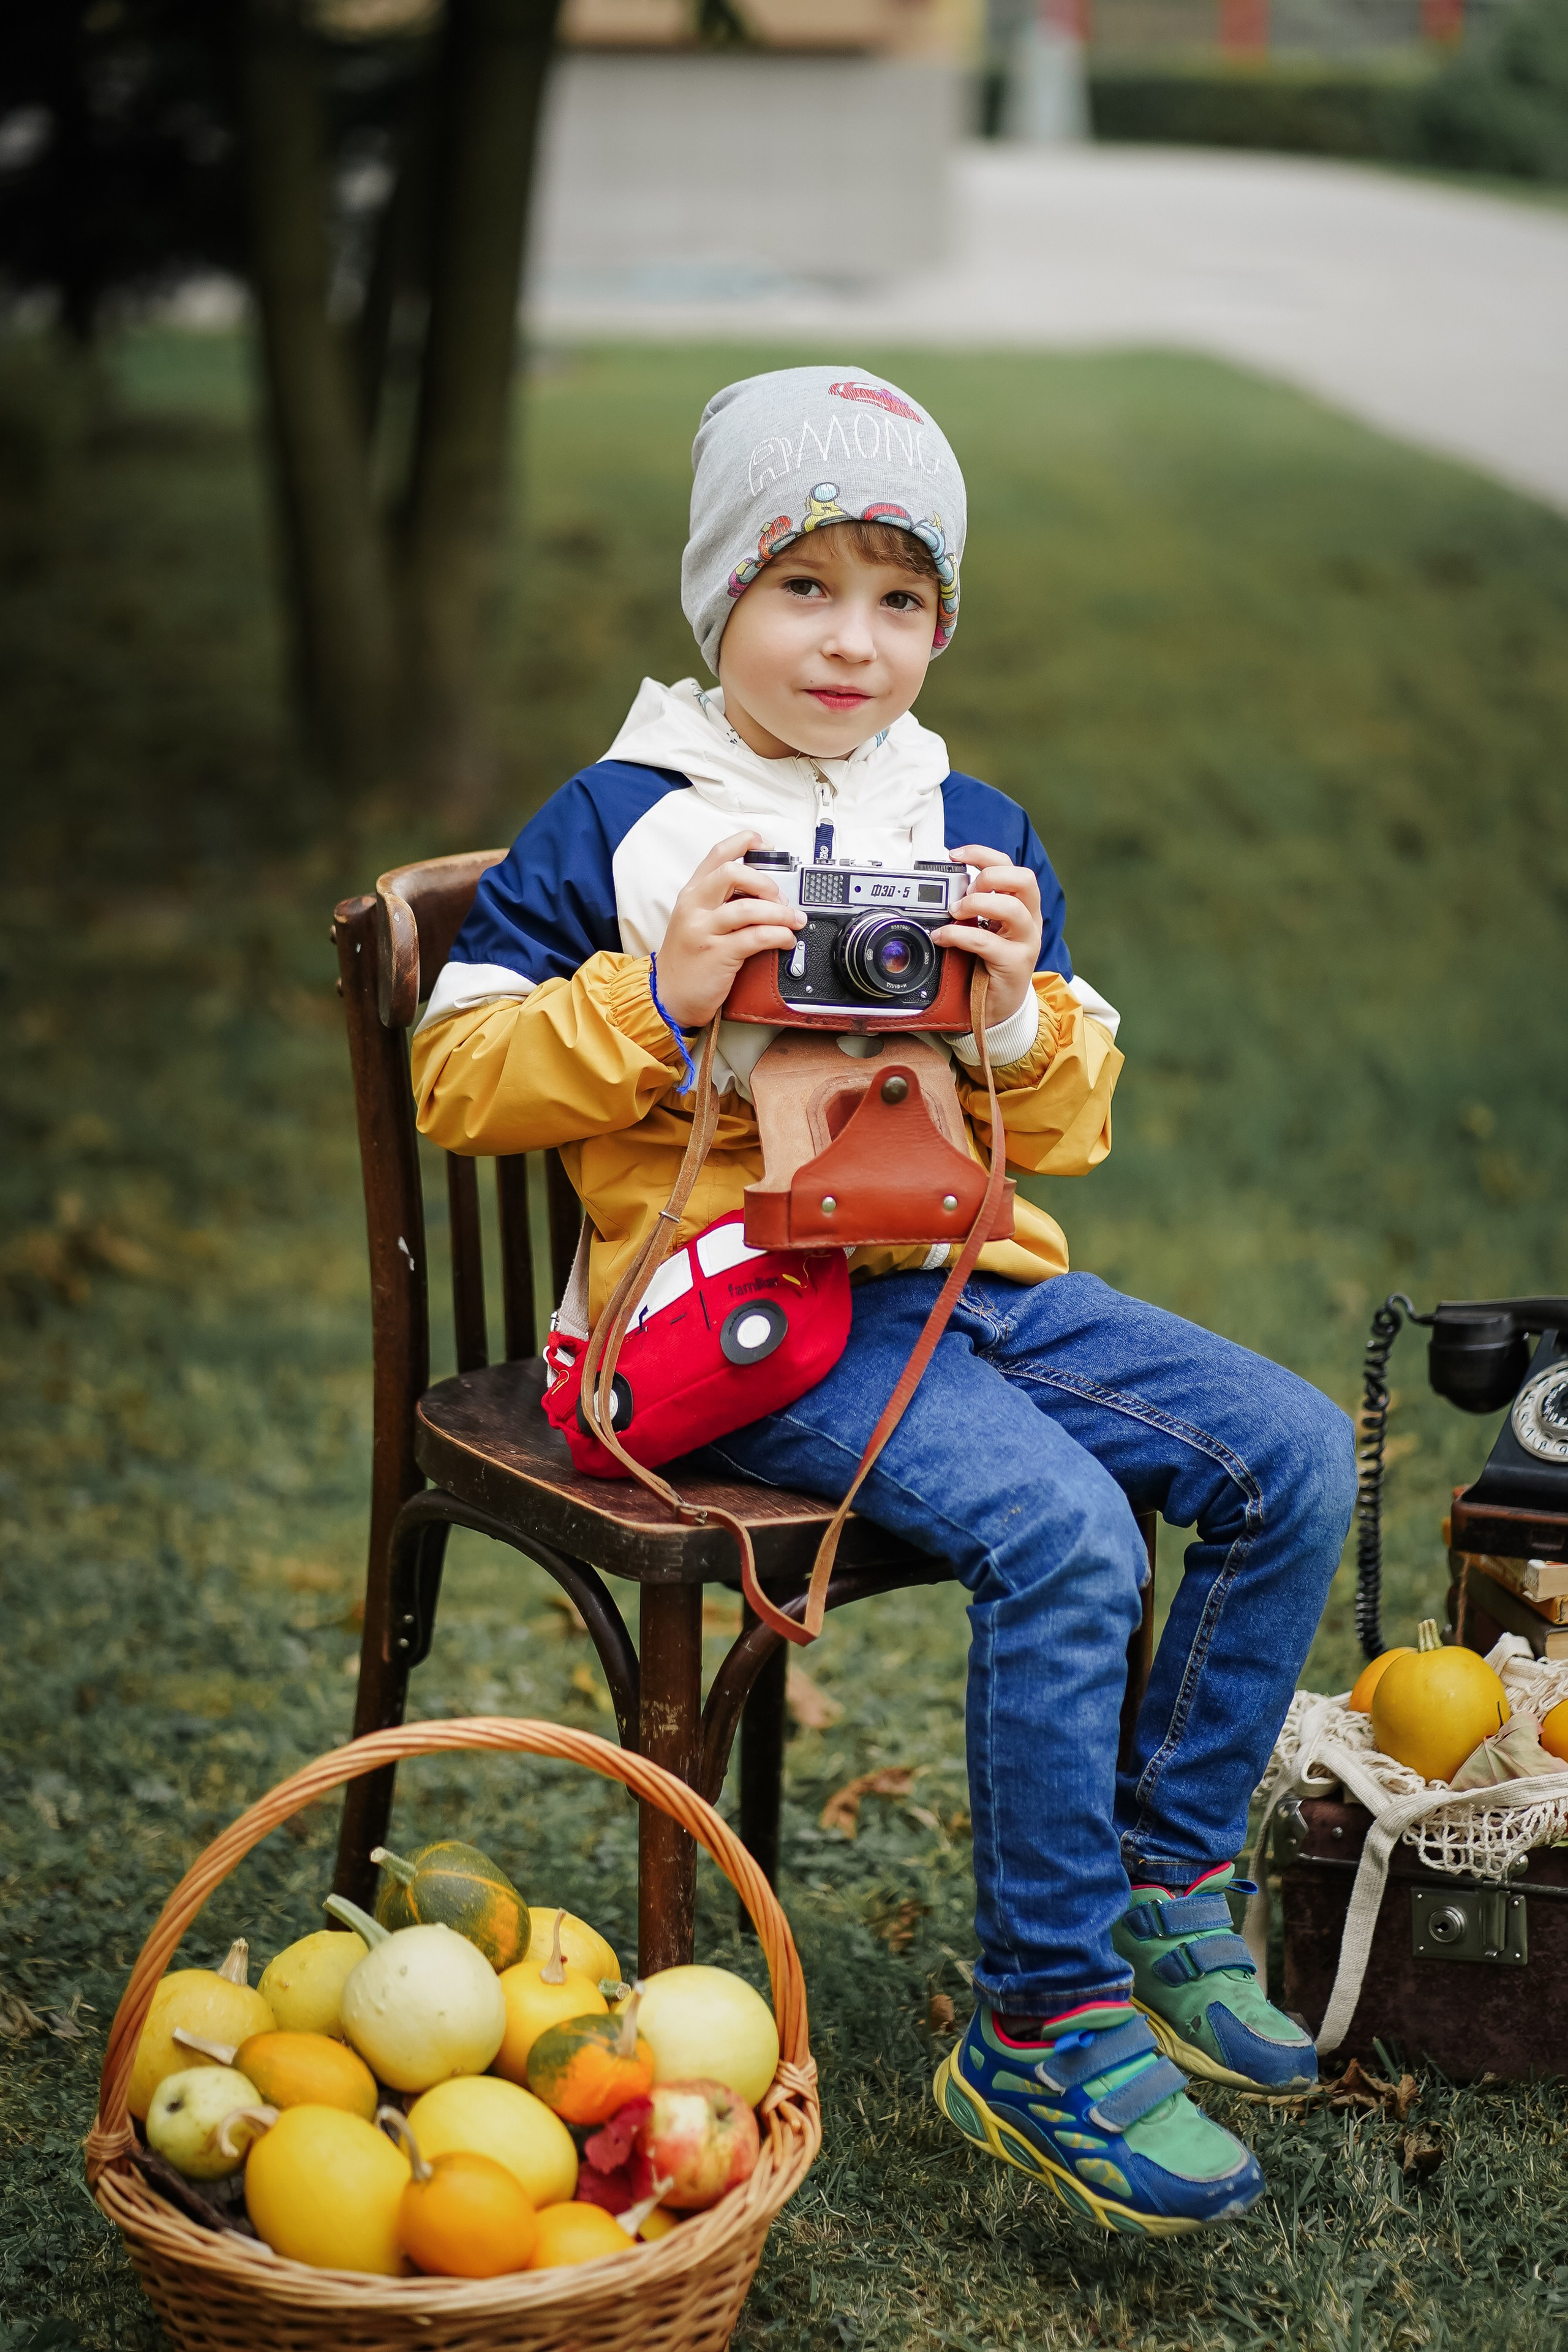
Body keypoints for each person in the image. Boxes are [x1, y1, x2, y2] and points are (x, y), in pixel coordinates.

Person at [410, 366, 1358, 2238]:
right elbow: (455, 1077)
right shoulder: (625, 819)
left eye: (902, 598)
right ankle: (1042, 2024)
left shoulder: (970, 816)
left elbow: (1070, 1123)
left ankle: (1161, 1887)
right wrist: (657, 996)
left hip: (965, 1280)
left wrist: (1015, 1016)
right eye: (804, 587)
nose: (854, 641)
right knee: (1065, 1533)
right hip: (742, 1316)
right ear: (722, 597)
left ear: (942, 623)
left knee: (1292, 1452)